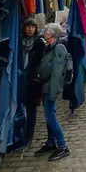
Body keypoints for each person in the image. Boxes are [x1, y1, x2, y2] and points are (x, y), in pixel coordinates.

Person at [34, 23, 70, 161]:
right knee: (48, 116)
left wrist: (53, 91)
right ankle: (51, 143)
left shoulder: (58, 48)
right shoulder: (49, 47)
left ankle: (62, 146)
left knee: (51, 117)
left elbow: (56, 72)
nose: (44, 31)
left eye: (46, 30)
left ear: (52, 33)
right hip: (45, 86)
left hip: (50, 88)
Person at [22, 18, 46, 146]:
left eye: (33, 27)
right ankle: (19, 132)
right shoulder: (19, 42)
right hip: (21, 77)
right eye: (28, 26)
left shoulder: (39, 43)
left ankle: (29, 135)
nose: (31, 29)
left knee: (31, 109)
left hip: (33, 80)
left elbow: (42, 61)